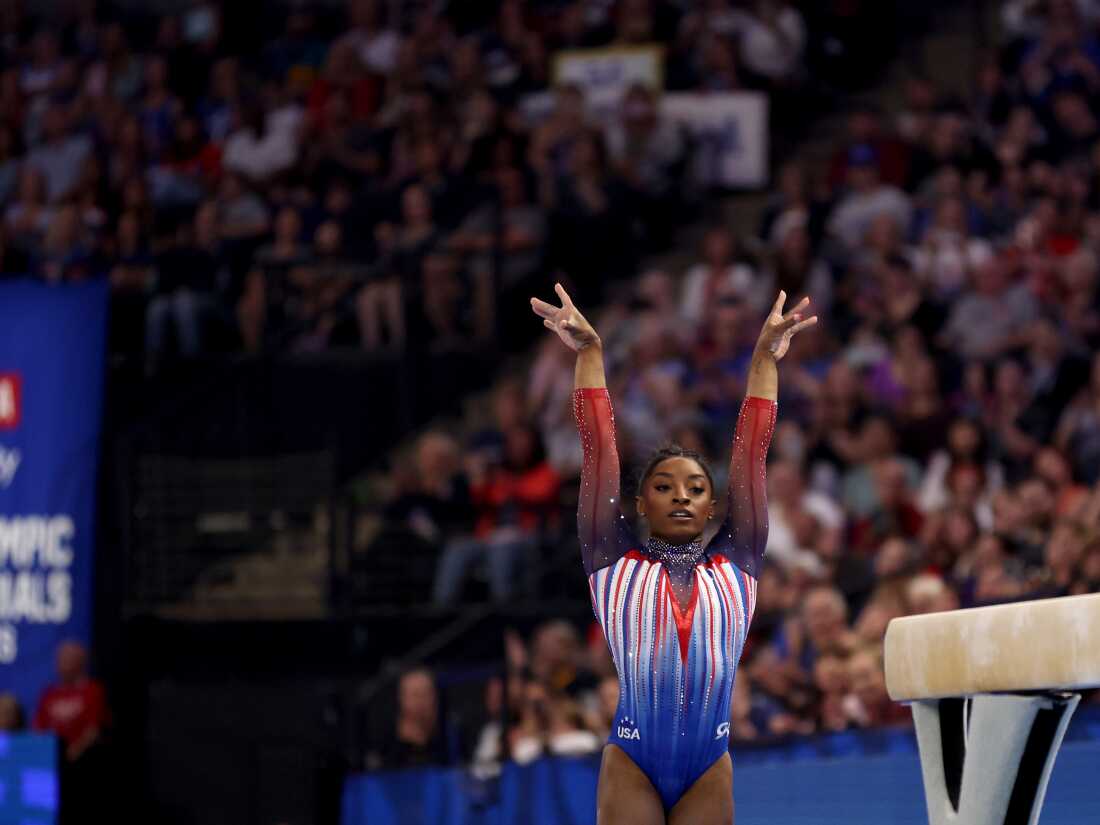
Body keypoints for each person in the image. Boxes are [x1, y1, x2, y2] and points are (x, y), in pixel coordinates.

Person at [530, 283, 816, 823]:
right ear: (639, 504)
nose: (682, 495)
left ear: (713, 508)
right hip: (633, 759)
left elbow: (752, 452)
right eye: (665, 487)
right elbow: (598, 449)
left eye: (696, 488)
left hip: (709, 765)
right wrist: (590, 355)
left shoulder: (741, 561)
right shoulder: (611, 559)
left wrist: (763, 360)